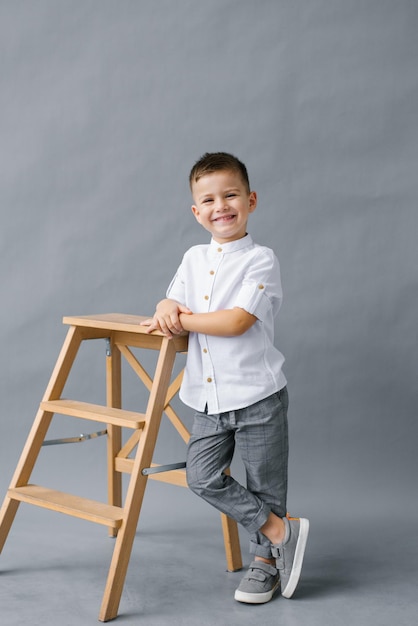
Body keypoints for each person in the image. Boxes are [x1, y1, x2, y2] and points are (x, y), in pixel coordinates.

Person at [141, 152, 309, 604]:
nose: (221, 206)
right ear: (197, 212)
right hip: (209, 399)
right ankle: (280, 531)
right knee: (201, 476)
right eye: (209, 200)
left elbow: (237, 322)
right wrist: (164, 307)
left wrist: (184, 321)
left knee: (264, 483)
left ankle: (265, 563)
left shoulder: (261, 260)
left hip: (258, 395)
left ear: (250, 200)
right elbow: (171, 303)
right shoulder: (193, 257)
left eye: (230, 195)